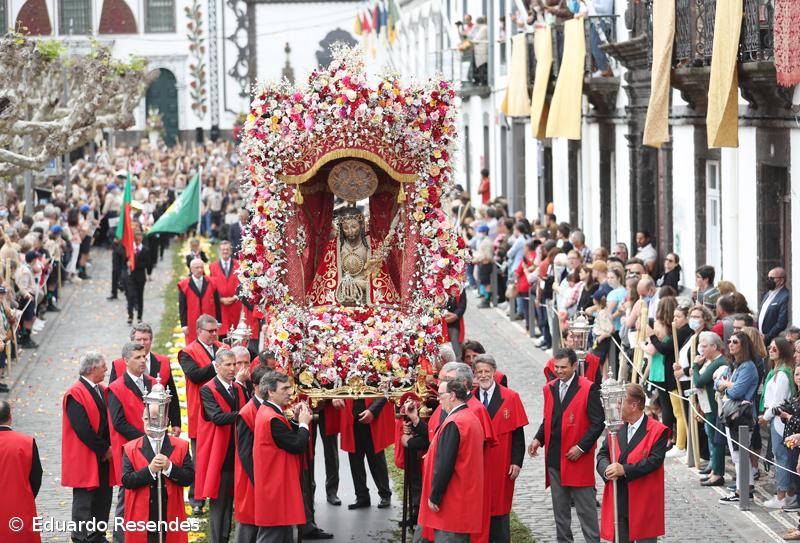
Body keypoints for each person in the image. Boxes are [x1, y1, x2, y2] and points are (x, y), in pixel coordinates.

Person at [529, 348, 604, 543]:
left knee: (586, 509)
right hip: (555, 457)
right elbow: (549, 418)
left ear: (573, 366)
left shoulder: (588, 388)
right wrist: (538, 438)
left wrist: (581, 447)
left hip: (578, 457)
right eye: (556, 367)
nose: (559, 371)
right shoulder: (550, 388)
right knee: (560, 510)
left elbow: (598, 423)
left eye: (563, 367)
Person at [596, 383, 669, 543]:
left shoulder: (657, 430)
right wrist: (606, 470)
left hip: (644, 501)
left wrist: (624, 470)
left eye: (620, 402)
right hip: (620, 498)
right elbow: (602, 454)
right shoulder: (615, 428)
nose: (616, 406)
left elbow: (655, 461)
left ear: (634, 405)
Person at [418, 379, 485, 542]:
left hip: (452, 500)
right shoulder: (470, 417)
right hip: (465, 496)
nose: (439, 400)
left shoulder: (455, 422)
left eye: (441, 395)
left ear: (453, 395)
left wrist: (435, 495)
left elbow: (445, 464)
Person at [121, 403, 194, 543]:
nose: (149, 423)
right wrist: (150, 470)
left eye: (154, 418)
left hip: (171, 515)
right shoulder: (130, 448)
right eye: (146, 419)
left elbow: (189, 478)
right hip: (142, 518)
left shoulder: (181, 446)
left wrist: (169, 467)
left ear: (165, 421)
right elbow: (127, 481)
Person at [474, 355, 528, 543]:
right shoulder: (470, 398)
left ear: (494, 372)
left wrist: (516, 461)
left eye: (486, 371)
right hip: (477, 464)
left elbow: (518, 434)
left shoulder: (510, 397)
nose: (483, 375)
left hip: (502, 463)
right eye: (479, 372)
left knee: (499, 508)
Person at [254, 371, 312, 543]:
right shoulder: (272, 417)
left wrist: (294, 421)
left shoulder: (269, 412)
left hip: (276, 484)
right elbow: (296, 445)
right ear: (271, 392)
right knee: (272, 535)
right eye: (285, 388)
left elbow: (285, 438)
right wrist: (303, 424)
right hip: (275, 487)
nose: (289, 392)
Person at [196, 349, 248, 543]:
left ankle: (227, 536)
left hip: (237, 453)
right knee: (219, 503)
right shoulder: (207, 389)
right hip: (218, 454)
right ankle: (218, 539)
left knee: (234, 502)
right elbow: (216, 417)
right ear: (217, 366)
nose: (233, 368)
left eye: (235, 364)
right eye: (228, 365)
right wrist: (244, 414)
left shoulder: (239, 388)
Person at [62, 351, 114, 543]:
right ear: (92, 368)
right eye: (103, 366)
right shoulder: (75, 393)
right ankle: (80, 537)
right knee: (84, 499)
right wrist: (105, 449)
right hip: (86, 455)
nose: (106, 369)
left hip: (101, 455)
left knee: (103, 497)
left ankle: (97, 534)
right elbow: (82, 428)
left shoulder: (100, 389)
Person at [108, 342, 154, 543]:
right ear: (126, 361)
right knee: (125, 495)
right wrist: (144, 439)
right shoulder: (115, 388)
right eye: (137, 357)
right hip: (130, 448)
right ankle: (120, 538)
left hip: (153, 445)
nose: (143, 360)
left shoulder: (154, 383)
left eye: (144, 356)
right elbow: (118, 423)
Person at [178, 314, 224, 514]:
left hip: (222, 409)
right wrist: (217, 364)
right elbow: (195, 375)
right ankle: (196, 499)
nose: (214, 334)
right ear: (199, 332)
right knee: (199, 457)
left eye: (216, 330)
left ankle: (219, 494)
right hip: (200, 411)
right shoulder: (187, 352)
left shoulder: (223, 348)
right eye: (210, 331)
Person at [110, 322, 181, 436]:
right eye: (138, 340)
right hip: (131, 432)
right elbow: (113, 403)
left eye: (145, 339)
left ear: (151, 340)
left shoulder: (163, 362)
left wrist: (176, 422)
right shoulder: (118, 365)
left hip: (158, 427)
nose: (142, 343)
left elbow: (171, 393)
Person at [718, 331, 760, 504]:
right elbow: (717, 383)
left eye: (735, 341)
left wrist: (726, 385)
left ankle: (741, 491)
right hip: (731, 413)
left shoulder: (748, 367)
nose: (731, 344)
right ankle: (746, 488)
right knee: (737, 454)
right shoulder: (733, 365)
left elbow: (737, 391)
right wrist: (727, 384)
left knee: (739, 454)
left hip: (742, 415)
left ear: (743, 345)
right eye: (729, 341)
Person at [331, 393, 394, 509]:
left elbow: (385, 390)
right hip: (351, 416)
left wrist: (373, 411)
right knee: (355, 460)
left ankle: (385, 493)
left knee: (376, 459)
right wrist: (337, 395)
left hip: (372, 417)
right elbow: (338, 386)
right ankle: (361, 496)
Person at [758, 337, 797, 508]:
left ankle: (783, 496)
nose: (771, 350)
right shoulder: (777, 371)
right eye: (770, 347)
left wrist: (764, 417)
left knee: (781, 457)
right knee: (781, 457)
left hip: (779, 420)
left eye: (775, 348)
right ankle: (786, 493)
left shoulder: (782, 373)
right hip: (774, 417)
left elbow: (777, 402)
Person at [234, 365, 270, 543]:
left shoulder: (270, 406)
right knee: (249, 525)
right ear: (255, 386)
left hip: (264, 477)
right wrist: (260, 480)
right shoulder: (247, 412)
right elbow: (245, 452)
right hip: (252, 478)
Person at [0, 400, 42, 543]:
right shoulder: (27, 442)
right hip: (20, 506)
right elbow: (36, 476)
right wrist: (27, 495)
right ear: (10, 417)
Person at [693, 331, 729, 487]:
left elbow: (699, 381)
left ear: (714, 346)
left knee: (717, 440)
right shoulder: (708, 361)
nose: (702, 349)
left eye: (705, 346)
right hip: (706, 405)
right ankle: (714, 469)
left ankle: (718, 472)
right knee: (711, 438)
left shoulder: (718, 362)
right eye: (700, 345)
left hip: (715, 407)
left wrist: (694, 366)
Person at [178, 258, 222, 344]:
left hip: (209, 319)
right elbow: (182, 307)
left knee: (211, 342)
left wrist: (218, 320)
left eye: (201, 267)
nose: (200, 270)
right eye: (197, 267)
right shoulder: (184, 285)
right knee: (193, 344)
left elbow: (217, 303)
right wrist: (184, 325)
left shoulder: (212, 282)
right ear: (191, 269)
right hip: (192, 320)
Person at [210, 240, 242, 339]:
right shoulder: (213, 266)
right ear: (219, 251)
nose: (225, 251)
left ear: (231, 251)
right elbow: (212, 285)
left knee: (235, 331)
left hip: (235, 303)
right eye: (223, 249)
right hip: (221, 304)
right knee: (222, 330)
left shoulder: (239, 265)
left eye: (227, 249)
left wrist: (235, 296)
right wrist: (220, 299)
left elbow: (242, 282)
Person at [125, 230, 152, 325]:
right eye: (136, 240)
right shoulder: (130, 250)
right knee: (130, 296)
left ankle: (139, 316)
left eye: (139, 240)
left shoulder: (145, 249)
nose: (137, 241)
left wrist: (135, 264)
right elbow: (125, 259)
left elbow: (148, 263)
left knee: (140, 297)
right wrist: (127, 262)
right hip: (131, 276)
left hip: (140, 277)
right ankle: (130, 315)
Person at [759, 267, 790, 345]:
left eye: (772, 278)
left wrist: (767, 336)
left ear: (781, 280)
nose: (769, 280)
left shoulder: (784, 296)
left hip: (772, 340)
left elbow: (781, 322)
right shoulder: (767, 294)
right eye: (768, 278)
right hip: (761, 338)